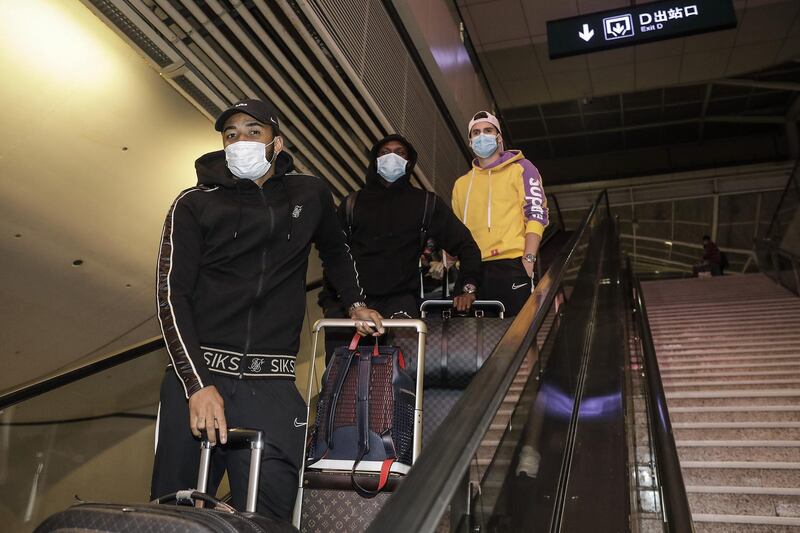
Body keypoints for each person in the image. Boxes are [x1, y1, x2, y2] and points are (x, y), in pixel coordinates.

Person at [151, 99, 383, 521]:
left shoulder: (309, 193)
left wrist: (355, 302)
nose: (240, 141)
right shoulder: (192, 203)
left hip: (273, 385)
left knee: (271, 515)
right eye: (231, 134)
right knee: (176, 517)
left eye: (253, 132)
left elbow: (336, 249)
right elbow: (172, 295)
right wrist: (196, 384)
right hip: (202, 380)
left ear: (277, 142)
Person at [318, 134, 482, 359]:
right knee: (342, 379)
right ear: (375, 160)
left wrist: (468, 287)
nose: (392, 157)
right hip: (349, 303)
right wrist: (330, 303)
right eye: (385, 153)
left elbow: (466, 245)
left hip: (400, 301)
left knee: (402, 373)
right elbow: (334, 256)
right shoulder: (351, 204)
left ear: (409, 162)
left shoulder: (426, 203)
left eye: (400, 153)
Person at [451, 111, 549, 316]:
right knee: (468, 343)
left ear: (499, 137)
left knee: (517, 339)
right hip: (470, 273)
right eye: (476, 133)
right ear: (470, 141)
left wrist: (528, 262)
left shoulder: (522, 168)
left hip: (510, 266)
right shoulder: (461, 184)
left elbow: (537, 214)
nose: (481, 136)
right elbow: (456, 232)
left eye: (488, 130)